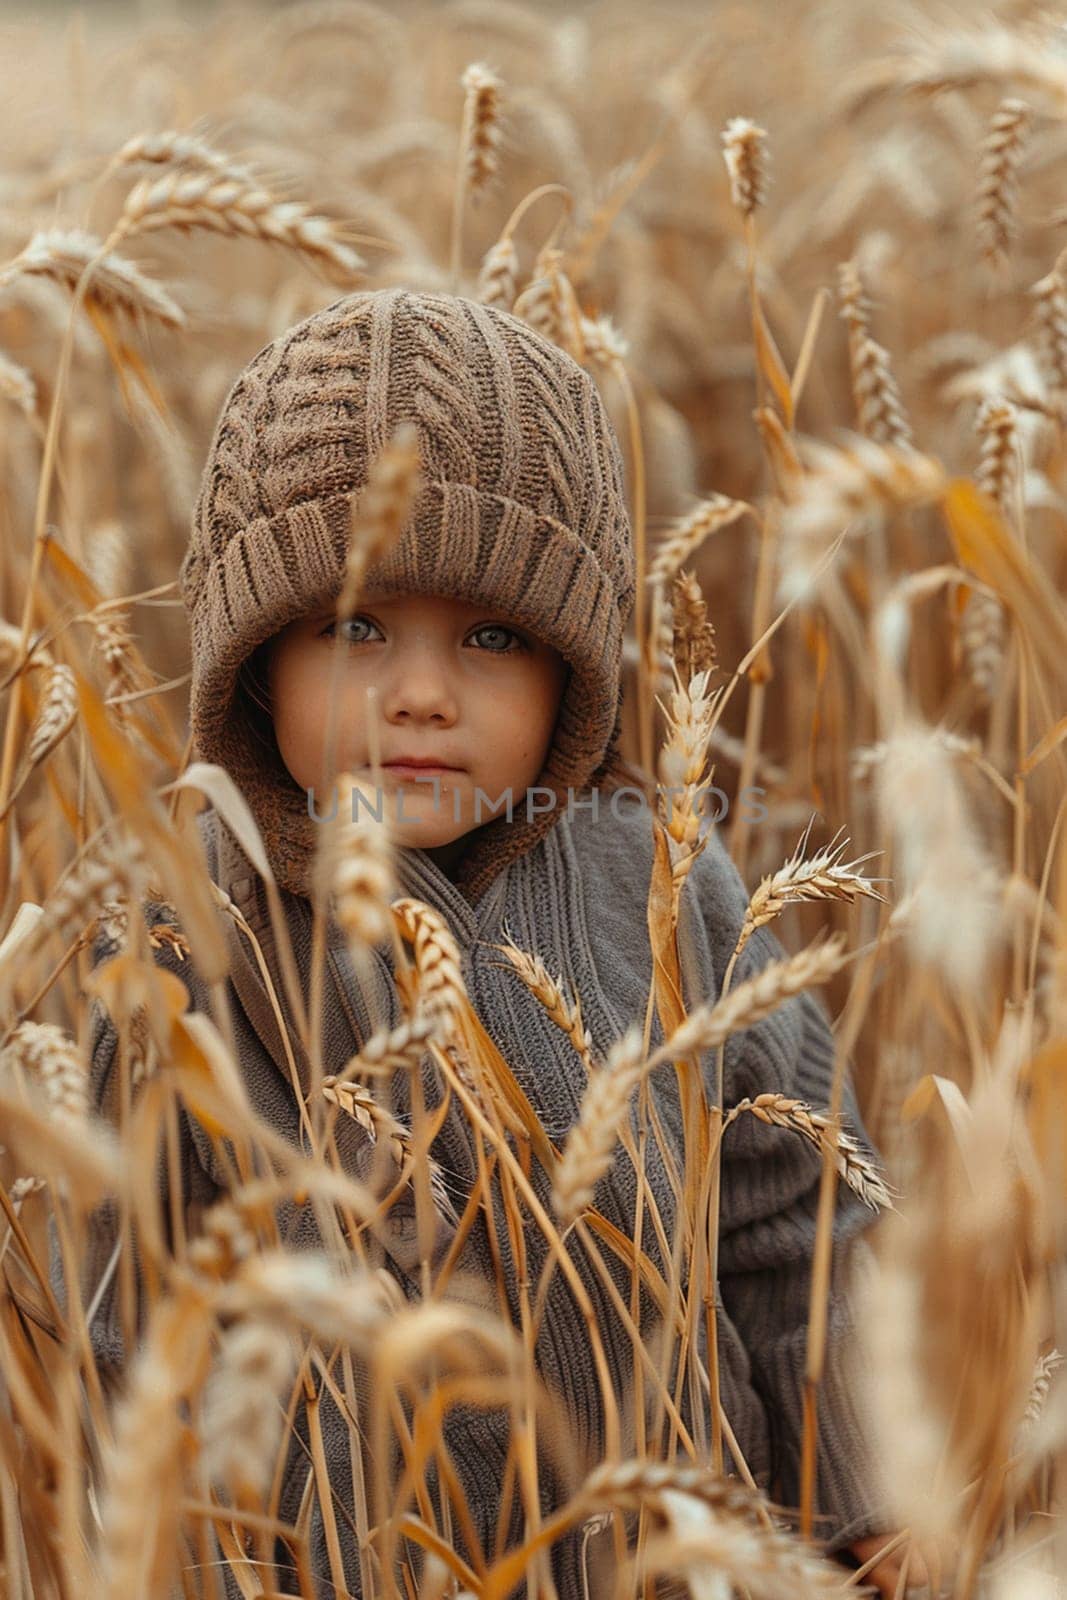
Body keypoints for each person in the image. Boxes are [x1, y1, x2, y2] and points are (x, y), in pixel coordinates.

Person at [58, 287, 934, 1598]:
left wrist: (872, 1492)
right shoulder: (182, 941)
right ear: (253, 659)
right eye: (357, 625)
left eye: (492, 635)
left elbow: (796, 1221)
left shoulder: (663, 883)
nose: (422, 691)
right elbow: (123, 1322)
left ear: (573, 666)